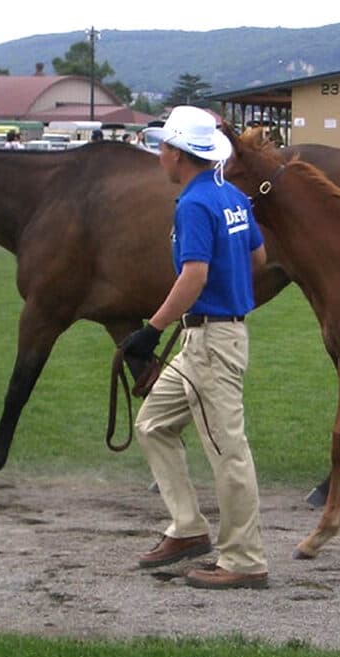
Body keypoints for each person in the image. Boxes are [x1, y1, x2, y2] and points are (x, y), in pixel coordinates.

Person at [122, 105, 269, 590]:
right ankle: (188, 529)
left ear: (179, 154)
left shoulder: (192, 205)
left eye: (162, 147)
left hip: (210, 339)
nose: (158, 155)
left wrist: (152, 329)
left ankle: (244, 560)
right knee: (152, 424)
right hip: (207, 337)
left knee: (229, 451)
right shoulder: (231, 195)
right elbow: (259, 255)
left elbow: (194, 275)